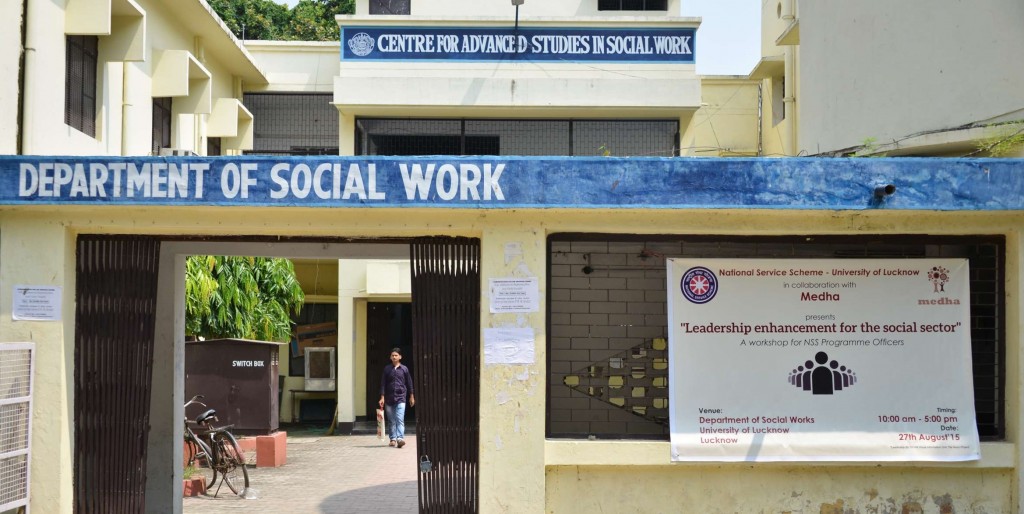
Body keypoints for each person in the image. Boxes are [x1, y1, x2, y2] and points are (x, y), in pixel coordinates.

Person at [379, 347, 415, 448]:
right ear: (390, 357)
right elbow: (383, 384)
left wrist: (411, 396)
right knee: (391, 420)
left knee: (400, 419)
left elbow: (409, 383)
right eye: (392, 355)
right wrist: (382, 397)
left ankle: (400, 439)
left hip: (401, 397)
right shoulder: (387, 369)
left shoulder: (404, 369)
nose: (394, 357)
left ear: (400, 357)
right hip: (389, 398)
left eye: (396, 355)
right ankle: (393, 439)